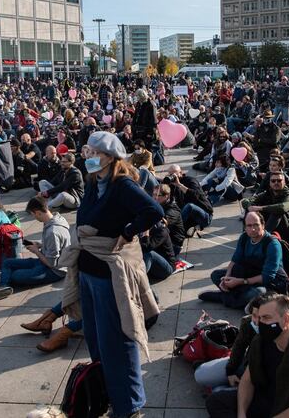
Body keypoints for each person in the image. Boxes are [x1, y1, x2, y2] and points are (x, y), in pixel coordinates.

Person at [58, 131, 163, 418]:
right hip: (88, 271)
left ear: (107, 156)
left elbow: (153, 210)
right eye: (86, 151)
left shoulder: (122, 185)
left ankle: (129, 406)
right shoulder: (94, 181)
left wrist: (127, 231)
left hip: (108, 276)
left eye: (92, 153)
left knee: (116, 340)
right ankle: (107, 392)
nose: (87, 157)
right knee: (94, 339)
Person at [205, 293, 289, 418]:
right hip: (269, 398)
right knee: (215, 401)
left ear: (285, 319)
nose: (259, 323)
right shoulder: (262, 340)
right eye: (259, 317)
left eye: (266, 318)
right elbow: (247, 380)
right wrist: (242, 414)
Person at [0, 196, 71, 303]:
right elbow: (57, 245)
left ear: (38, 212)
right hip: (44, 261)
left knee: (15, 275)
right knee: (7, 263)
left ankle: (5, 284)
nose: (34, 217)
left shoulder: (52, 231)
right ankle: (3, 287)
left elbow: (52, 263)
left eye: (33, 215)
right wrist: (41, 245)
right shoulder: (56, 219)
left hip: (54, 271)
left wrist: (36, 251)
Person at [198, 212, 288, 308]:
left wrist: (240, 281)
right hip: (250, 275)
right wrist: (227, 278)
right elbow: (235, 260)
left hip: (272, 283)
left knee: (257, 293)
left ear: (263, 225)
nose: (253, 229)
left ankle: (222, 297)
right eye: (249, 226)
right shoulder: (245, 237)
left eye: (256, 225)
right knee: (216, 275)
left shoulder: (272, 244)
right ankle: (242, 298)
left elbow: (267, 277)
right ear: (245, 227)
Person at [194, 294, 265, 395]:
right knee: (200, 375)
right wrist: (230, 371)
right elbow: (239, 347)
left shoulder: (283, 335)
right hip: (247, 363)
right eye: (254, 316)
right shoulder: (248, 323)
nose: (257, 322)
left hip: (262, 379)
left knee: (218, 393)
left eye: (263, 317)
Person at [241, 171, 289, 241]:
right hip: (270, 226)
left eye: (279, 180)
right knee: (251, 209)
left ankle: (262, 238)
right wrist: (249, 207)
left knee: (277, 211)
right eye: (273, 181)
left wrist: (261, 208)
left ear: (284, 182)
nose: (276, 183)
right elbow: (246, 201)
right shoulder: (267, 193)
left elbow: (283, 207)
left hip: (286, 229)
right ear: (270, 183)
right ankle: (247, 235)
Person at [165, 163, 214, 236]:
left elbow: (195, 196)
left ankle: (174, 229)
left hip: (204, 215)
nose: (172, 176)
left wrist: (179, 185)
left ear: (180, 173)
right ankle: (188, 228)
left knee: (190, 206)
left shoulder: (191, 180)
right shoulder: (173, 185)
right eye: (170, 174)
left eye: (174, 174)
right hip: (190, 217)